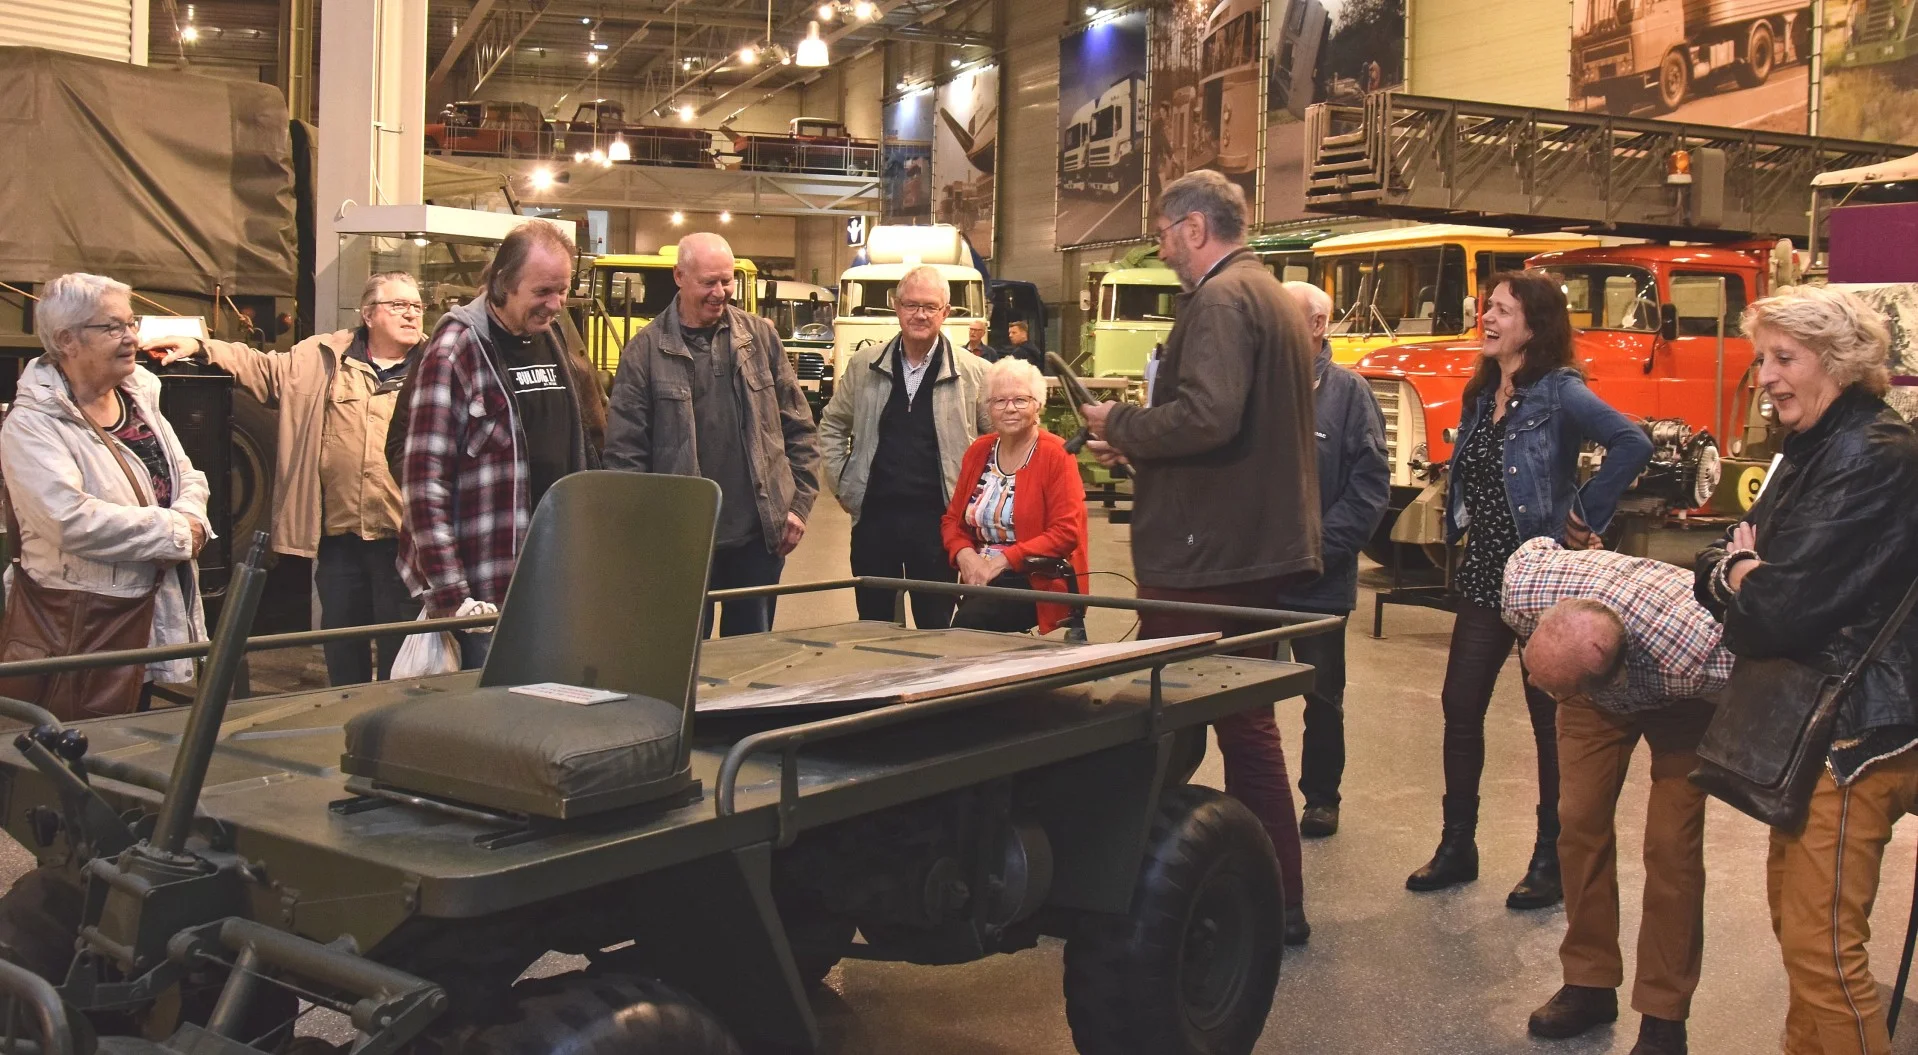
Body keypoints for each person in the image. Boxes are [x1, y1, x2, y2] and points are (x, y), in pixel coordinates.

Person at [1081, 169, 1321, 945]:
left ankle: (1151, 888)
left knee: (1178, 720)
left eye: (1162, 233)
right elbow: (1231, 428)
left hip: (1208, 556)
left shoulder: (1220, 300)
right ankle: (1271, 894)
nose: (1161, 248)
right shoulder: (1269, 295)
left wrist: (1121, 424)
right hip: (1246, 547)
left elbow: (1210, 416)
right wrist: (1143, 448)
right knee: (1247, 724)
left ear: (1194, 228)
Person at [1695, 286, 1918, 1055]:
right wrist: (1742, 570)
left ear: (1839, 360)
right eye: (1764, 358)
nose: (1765, 377)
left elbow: (1775, 612)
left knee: (1823, 954)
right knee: (1799, 935)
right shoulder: (1815, 444)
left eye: (1784, 358)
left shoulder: (1869, 453)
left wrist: (1747, 574)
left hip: (1853, 734)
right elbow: (1719, 555)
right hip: (1812, 729)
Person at [1403, 270, 1652, 910]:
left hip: (1542, 578)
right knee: (1461, 705)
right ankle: (1457, 845)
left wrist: (1586, 514)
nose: (1487, 318)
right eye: (1487, 307)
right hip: (1486, 573)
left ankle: (1551, 859)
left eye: (1502, 311)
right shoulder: (1481, 391)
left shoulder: (1560, 391)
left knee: (1548, 721)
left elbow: (1632, 442)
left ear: (1534, 327)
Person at [1503, 537, 1734, 1055]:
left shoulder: (1704, 656)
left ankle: (1664, 1015)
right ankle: (1589, 981)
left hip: (1683, 700)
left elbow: (1753, 686)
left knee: (1672, 849)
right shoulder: (1523, 588)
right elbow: (1537, 542)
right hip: (1590, 693)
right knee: (1578, 821)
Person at [145, 272, 424, 685]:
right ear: (368, 314)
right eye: (398, 305)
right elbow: (262, 367)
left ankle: (394, 718)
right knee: (342, 646)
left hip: (404, 541)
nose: (411, 314)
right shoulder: (322, 358)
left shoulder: (435, 365)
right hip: (339, 541)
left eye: (416, 306)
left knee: (402, 653)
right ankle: (346, 712)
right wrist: (202, 347)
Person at [0, 273, 212, 715]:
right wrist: (178, 533)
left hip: (146, 612)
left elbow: (186, 475)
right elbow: (68, 520)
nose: (131, 337)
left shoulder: (139, 397)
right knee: (86, 741)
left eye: (131, 323)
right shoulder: (33, 423)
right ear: (67, 340)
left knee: (134, 733)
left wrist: (192, 519)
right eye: (112, 327)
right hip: (84, 623)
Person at [397, 221, 605, 670]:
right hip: (485, 600)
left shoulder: (551, 337)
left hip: (556, 585)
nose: (555, 304)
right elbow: (423, 485)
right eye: (542, 291)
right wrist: (453, 598)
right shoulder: (454, 350)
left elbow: (582, 445)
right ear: (501, 284)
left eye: (562, 290)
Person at [602, 233, 821, 636]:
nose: (720, 292)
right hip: (681, 547)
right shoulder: (644, 352)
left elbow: (799, 426)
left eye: (727, 280)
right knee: (684, 659)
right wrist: (642, 537)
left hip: (758, 540)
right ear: (679, 276)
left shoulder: (760, 338)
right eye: (708, 282)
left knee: (750, 658)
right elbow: (624, 456)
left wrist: (799, 505)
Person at [1273, 281, 1390, 839]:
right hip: (1256, 576)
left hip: (1317, 580)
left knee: (1322, 696)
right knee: (1239, 691)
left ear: (1318, 326)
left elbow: (1369, 489)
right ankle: (1255, 794)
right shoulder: (1256, 387)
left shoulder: (1349, 394)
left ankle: (1321, 798)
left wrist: (1315, 551)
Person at [818, 265, 991, 628]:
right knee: (874, 626)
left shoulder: (975, 373)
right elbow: (832, 424)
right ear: (896, 307)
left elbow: (998, 447)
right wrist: (843, 483)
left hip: (940, 525)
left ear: (946, 312)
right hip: (874, 521)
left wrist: (975, 505)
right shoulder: (865, 365)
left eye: (930, 307)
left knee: (936, 627)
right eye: (911, 305)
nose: (920, 315)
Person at [941, 358, 1088, 634]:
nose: (1009, 408)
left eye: (1020, 400)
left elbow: (1067, 532)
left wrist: (1000, 562)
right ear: (989, 408)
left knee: (967, 626)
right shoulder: (978, 451)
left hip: (1033, 577)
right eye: (999, 401)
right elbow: (952, 521)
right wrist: (965, 556)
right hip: (978, 575)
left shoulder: (1057, 454)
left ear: (1038, 405)